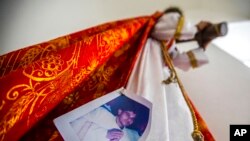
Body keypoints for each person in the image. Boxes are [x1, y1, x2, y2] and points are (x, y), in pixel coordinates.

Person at [70, 104, 140, 141]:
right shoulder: (101, 113)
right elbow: (75, 120)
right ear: (120, 111)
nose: (129, 119)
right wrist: (105, 133)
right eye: (128, 114)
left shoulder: (129, 135)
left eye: (132, 118)